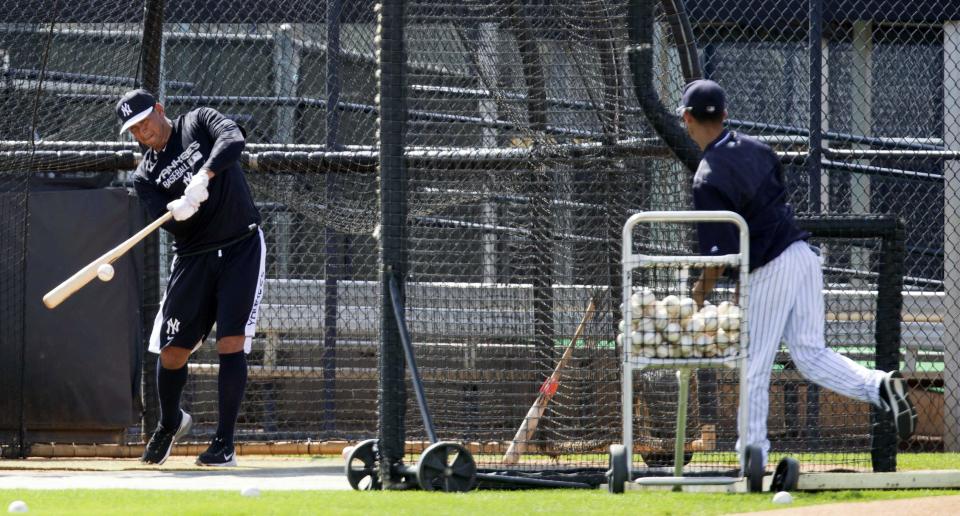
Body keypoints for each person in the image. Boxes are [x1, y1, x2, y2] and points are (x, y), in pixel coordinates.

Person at [678, 79, 917, 468]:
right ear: (724, 114)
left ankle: (751, 459)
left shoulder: (707, 176)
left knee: (753, 364)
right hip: (803, 256)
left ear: (688, 119)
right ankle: (879, 386)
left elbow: (717, 259)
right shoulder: (758, 149)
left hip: (771, 267)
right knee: (809, 354)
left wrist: (697, 298)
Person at [116, 89, 265, 466]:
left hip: (241, 246)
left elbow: (233, 139)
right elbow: (170, 226)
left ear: (160, 110)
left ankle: (224, 444)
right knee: (171, 351)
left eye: (144, 122)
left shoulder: (198, 121)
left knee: (231, 343)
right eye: (133, 130)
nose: (142, 133)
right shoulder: (145, 176)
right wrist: (182, 209)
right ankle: (170, 421)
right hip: (193, 257)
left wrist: (204, 174)